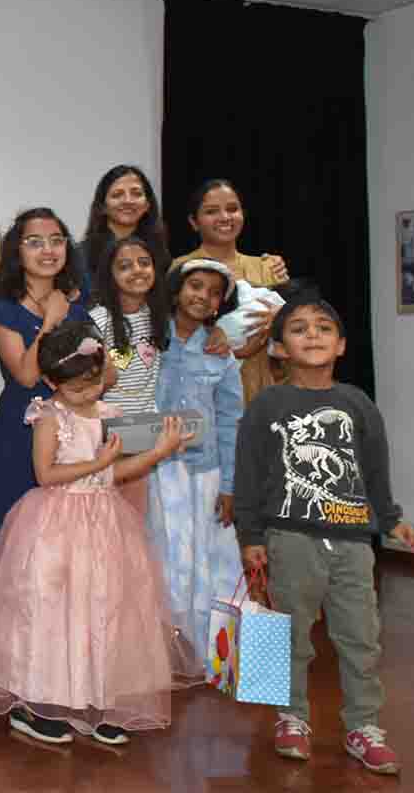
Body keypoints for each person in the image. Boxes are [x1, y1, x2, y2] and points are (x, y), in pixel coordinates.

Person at [0, 319, 195, 746]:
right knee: (51, 609)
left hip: (104, 522)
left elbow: (117, 473)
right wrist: (100, 463)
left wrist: (159, 452)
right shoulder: (49, 415)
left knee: (104, 607)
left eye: (94, 383)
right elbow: (46, 474)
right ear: (51, 383)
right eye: (77, 389)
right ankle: (39, 702)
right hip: (56, 522)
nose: (88, 393)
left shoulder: (110, 414)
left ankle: (100, 697)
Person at [236, 285, 414, 775]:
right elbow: (248, 477)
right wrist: (250, 537)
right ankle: (291, 717)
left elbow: (375, 470)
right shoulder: (266, 405)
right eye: (299, 329)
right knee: (290, 635)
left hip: (353, 541)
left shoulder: (357, 402)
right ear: (280, 348)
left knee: (361, 637)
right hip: (289, 538)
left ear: (341, 345)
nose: (313, 336)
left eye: (324, 329)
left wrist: (392, 519)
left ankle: (364, 725)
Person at [0, 208, 92, 574]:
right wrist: (51, 321)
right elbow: (26, 375)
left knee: (67, 530)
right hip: (21, 427)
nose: (48, 250)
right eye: (35, 242)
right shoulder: (2, 309)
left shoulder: (79, 310)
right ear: (17, 251)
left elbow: (102, 374)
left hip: (70, 429)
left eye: (56, 241)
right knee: (13, 528)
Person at [152, 259, 244, 664]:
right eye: (195, 286)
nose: (203, 296)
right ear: (176, 290)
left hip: (205, 473)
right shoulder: (148, 342)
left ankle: (213, 657)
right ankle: (161, 653)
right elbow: (116, 380)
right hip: (156, 470)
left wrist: (230, 485)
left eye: (214, 292)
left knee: (209, 560)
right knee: (164, 555)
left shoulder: (221, 356)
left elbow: (230, 422)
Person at [176, 178, 289, 403]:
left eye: (232, 209)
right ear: (194, 222)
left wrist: (283, 318)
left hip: (261, 388)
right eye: (211, 211)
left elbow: (292, 334)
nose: (225, 217)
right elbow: (172, 336)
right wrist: (236, 352)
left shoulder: (267, 267)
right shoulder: (181, 269)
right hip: (202, 393)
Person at [88, 235, 171, 515]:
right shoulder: (97, 320)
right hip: (106, 436)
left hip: (144, 433)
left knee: (134, 517)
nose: (137, 270)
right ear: (109, 276)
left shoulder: (159, 315)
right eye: (124, 266)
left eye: (144, 263)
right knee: (104, 517)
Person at [81, 165, 171, 277]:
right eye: (117, 195)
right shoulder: (81, 255)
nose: (128, 201)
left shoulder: (160, 253)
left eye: (136, 194)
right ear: (102, 206)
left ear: (147, 205)